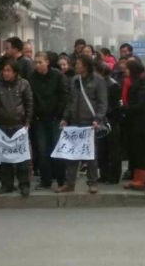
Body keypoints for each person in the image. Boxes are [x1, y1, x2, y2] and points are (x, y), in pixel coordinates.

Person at [58, 54, 108, 194]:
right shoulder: (75, 79)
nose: (76, 66)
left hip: (90, 123)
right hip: (75, 122)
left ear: (86, 65)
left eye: (78, 63)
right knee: (72, 154)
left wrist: (98, 119)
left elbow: (102, 102)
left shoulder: (98, 80)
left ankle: (92, 182)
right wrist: (65, 118)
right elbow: (71, 101)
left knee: (90, 155)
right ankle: (70, 183)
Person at [0, 60, 33, 196]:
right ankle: (6, 185)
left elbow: (29, 103)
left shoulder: (24, 84)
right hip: (1, 126)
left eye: (9, 70)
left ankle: (24, 184)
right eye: (4, 70)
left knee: (22, 158)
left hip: (19, 126)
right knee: (4, 158)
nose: (6, 73)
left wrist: (27, 121)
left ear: (15, 72)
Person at [29, 52, 68, 190]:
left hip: (56, 118)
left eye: (40, 62)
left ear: (47, 62)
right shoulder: (32, 78)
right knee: (42, 150)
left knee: (57, 149)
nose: (37, 65)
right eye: (36, 62)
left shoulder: (58, 76)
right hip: (39, 119)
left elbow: (64, 95)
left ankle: (61, 180)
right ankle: (45, 180)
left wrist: (61, 115)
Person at [121, 59, 145, 190]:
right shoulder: (132, 82)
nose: (125, 71)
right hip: (132, 121)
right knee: (134, 149)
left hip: (139, 121)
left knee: (140, 149)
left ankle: (141, 179)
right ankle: (136, 177)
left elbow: (140, 105)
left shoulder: (141, 84)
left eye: (127, 68)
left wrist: (124, 108)